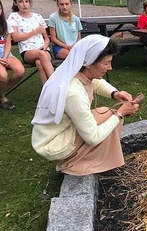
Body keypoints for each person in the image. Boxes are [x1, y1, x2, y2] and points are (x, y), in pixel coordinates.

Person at [31, 35, 140, 176]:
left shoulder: (74, 71)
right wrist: (121, 113)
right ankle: (72, 163)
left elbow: (95, 82)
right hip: (54, 143)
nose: (110, 68)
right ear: (89, 63)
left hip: (52, 135)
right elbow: (93, 137)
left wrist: (115, 93)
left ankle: (85, 157)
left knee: (105, 113)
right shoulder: (74, 93)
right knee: (110, 116)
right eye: (106, 63)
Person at [8, 0, 54, 84]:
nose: (24, 4)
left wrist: (46, 45)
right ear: (16, 3)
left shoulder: (37, 16)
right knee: (41, 54)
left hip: (43, 49)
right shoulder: (13, 16)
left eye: (26, 1)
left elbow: (47, 38)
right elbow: (15, 38)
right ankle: (56, 84)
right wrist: (35, 32)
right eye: (21, 1)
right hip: (27, 51)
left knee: (39, 62)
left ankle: (47, 93)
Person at [0, 0, 25, 110]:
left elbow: (8, 43)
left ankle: (2, 92)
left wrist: (5, 57)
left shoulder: (5, 23)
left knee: (20, 71)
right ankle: (2, 97)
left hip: (6, 53)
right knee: (3, 75)